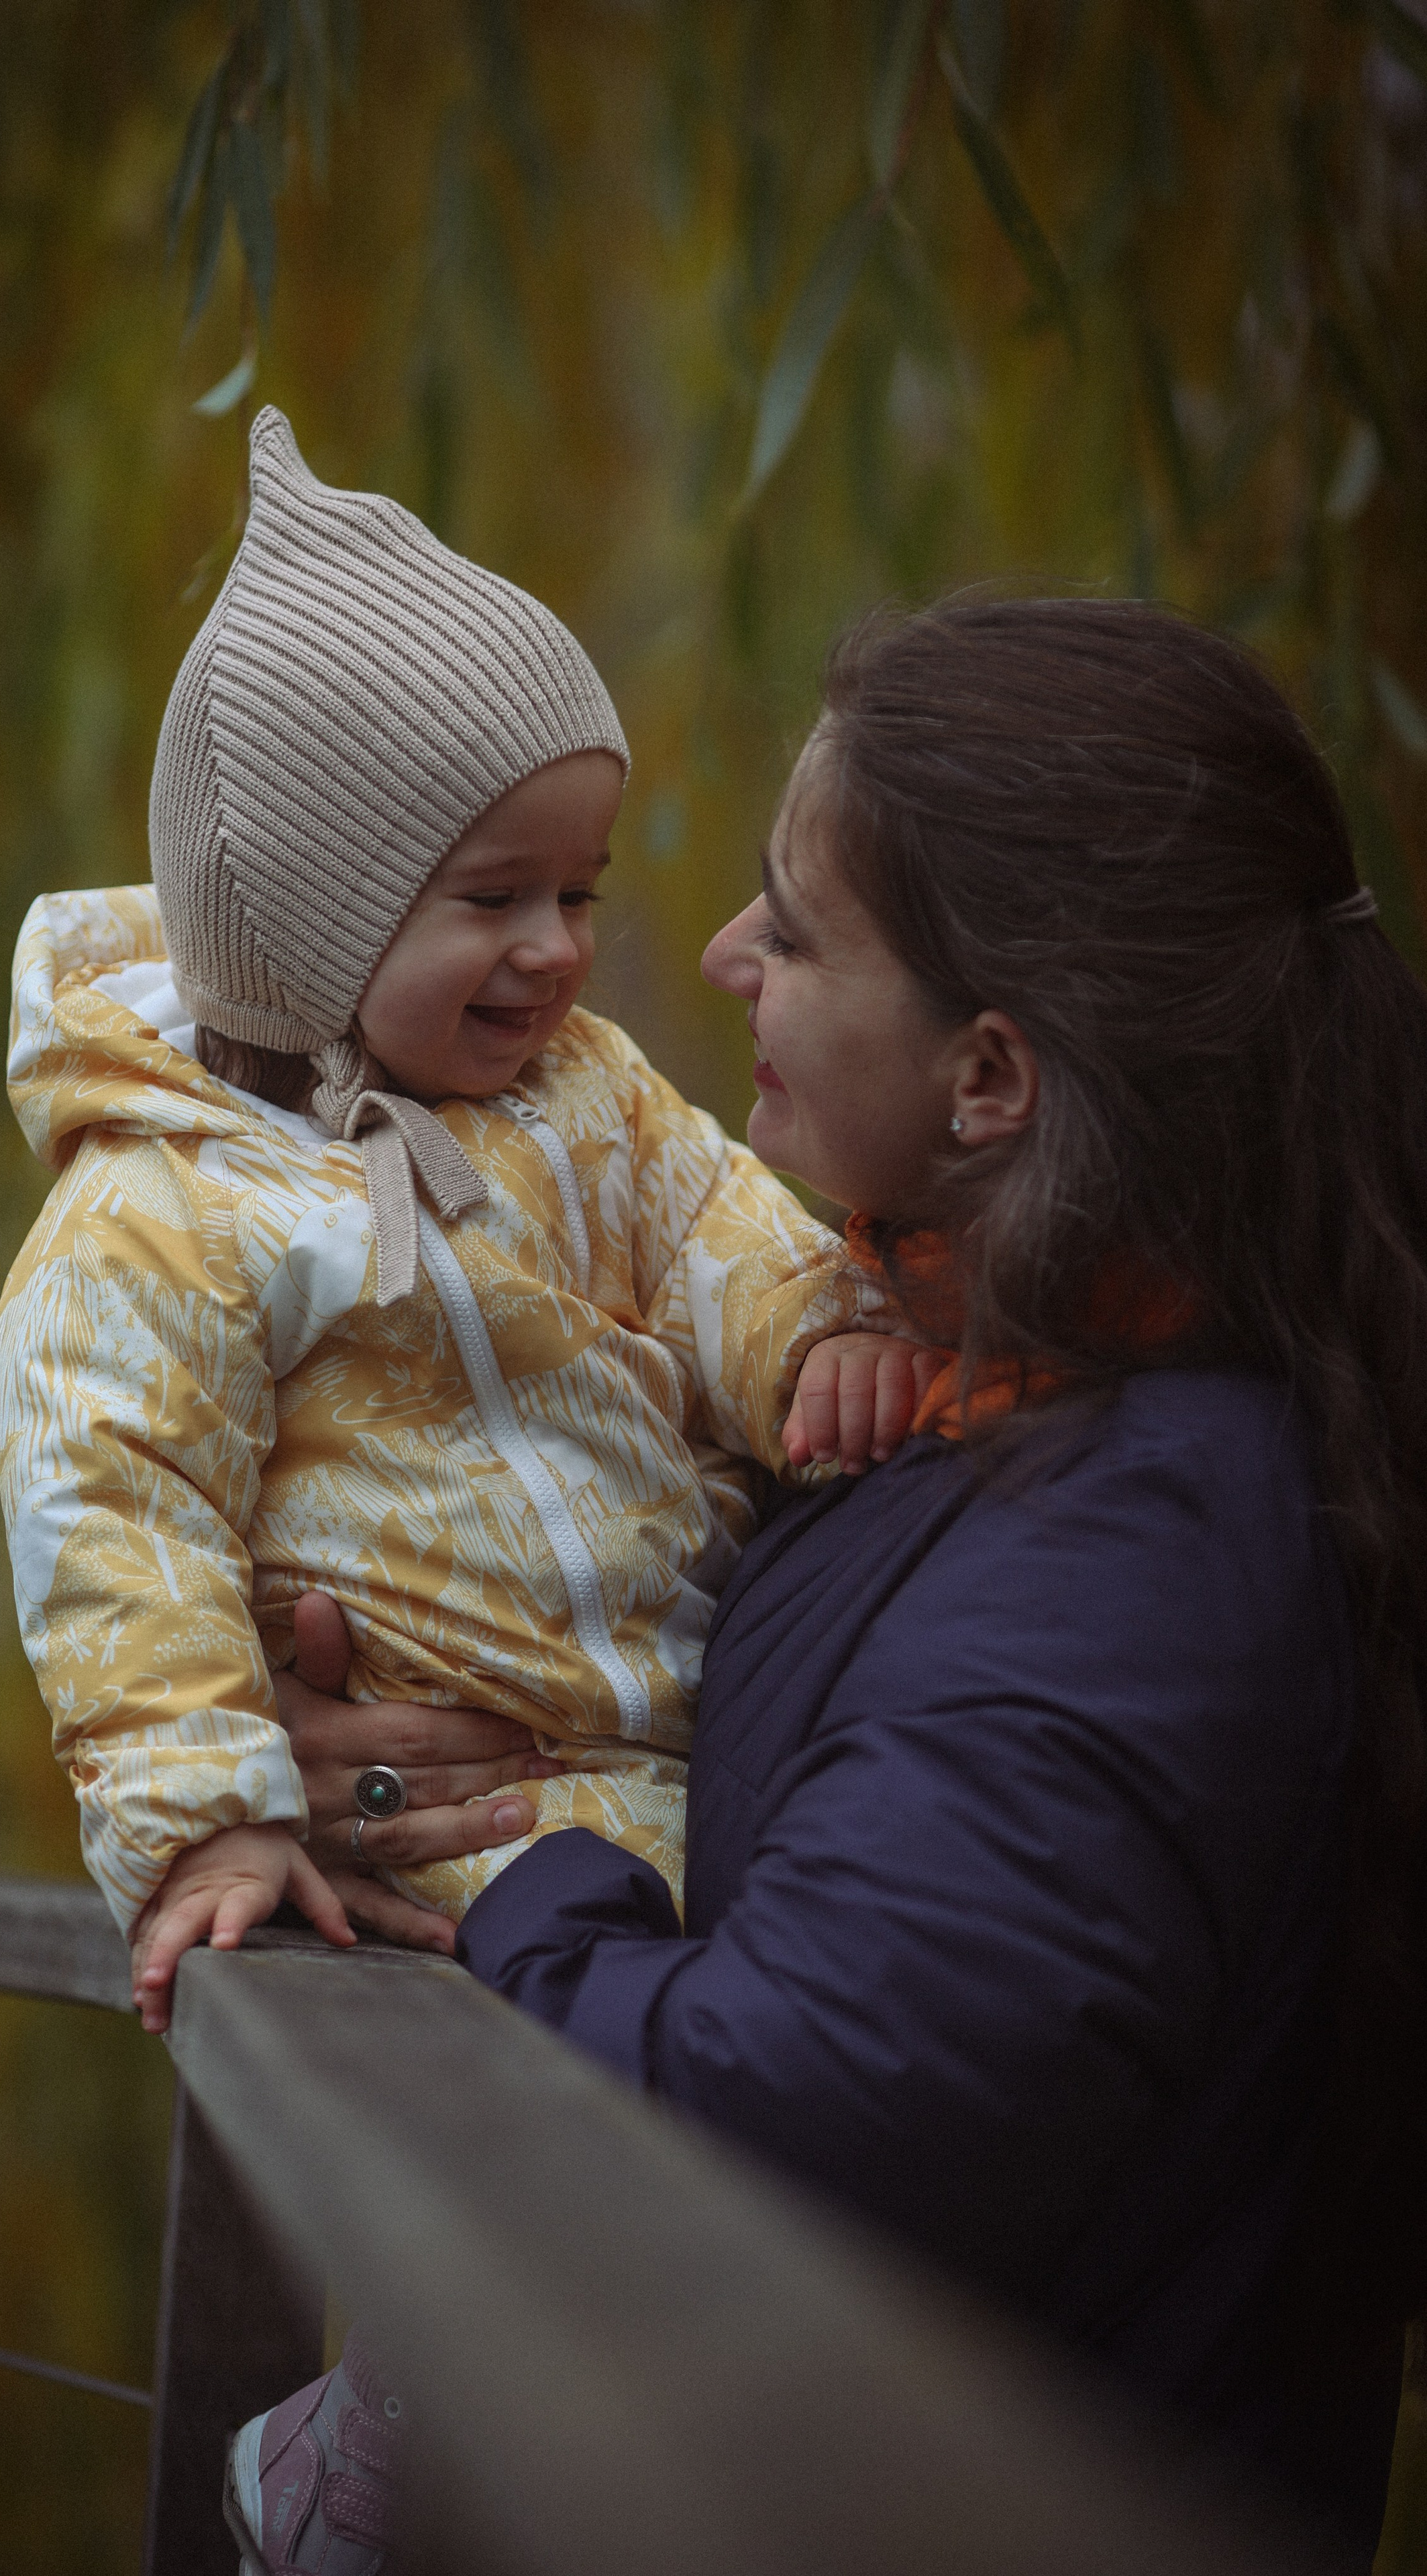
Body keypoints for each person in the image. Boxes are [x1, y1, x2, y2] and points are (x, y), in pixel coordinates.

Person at [244, 599, 1427, 2564]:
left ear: (989, 1078)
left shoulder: (1142, 1555)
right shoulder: (982, 1403)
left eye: (793, 931)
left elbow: (779, 2124)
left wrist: (527, 1865)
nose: (718, 960)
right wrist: (407, 1746)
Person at [0, 407, 922, 2041]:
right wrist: (207, 1807)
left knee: (767, 2060)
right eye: (491, 899)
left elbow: (713, 1224)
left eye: (579, 892)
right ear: (300, 927)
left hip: (685, 1738)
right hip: (460, 1819)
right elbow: (114, 1509)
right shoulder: (166, 1208)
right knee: (534, 2147)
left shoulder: (586, 1095)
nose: (557, 951)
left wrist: (817, 1336)